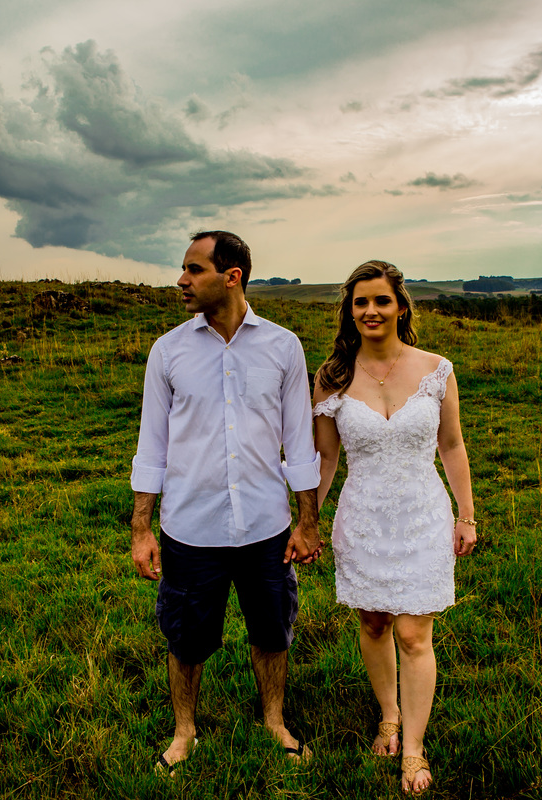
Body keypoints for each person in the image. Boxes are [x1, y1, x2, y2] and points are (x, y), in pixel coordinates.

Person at [130, 230, 322, 775]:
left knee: (271, 629)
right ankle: (184, 730)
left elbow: (300, 444)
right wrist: (143, 529)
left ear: (231, 276)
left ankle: (274, 721)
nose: (181, 280)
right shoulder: (167, 351)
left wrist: (307, 522)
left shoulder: (282, 346)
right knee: (186, 636)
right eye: (184, 270)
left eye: (194, 269)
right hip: (191, 529)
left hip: (265, 525)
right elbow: (152, 447)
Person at [312, 260, 476, 795]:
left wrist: (465, 514)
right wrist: (306, 522)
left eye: (380, 300)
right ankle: (389, 713)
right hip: (361, 518)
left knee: (412, 631)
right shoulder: (332, 376)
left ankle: (414, 747)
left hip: (422, 514)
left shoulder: (436, 370)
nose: (370, 311)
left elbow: (451, 446)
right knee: (376, 623)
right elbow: (326, 460)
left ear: (400, 306)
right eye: (360, 302)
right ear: (349, 310)